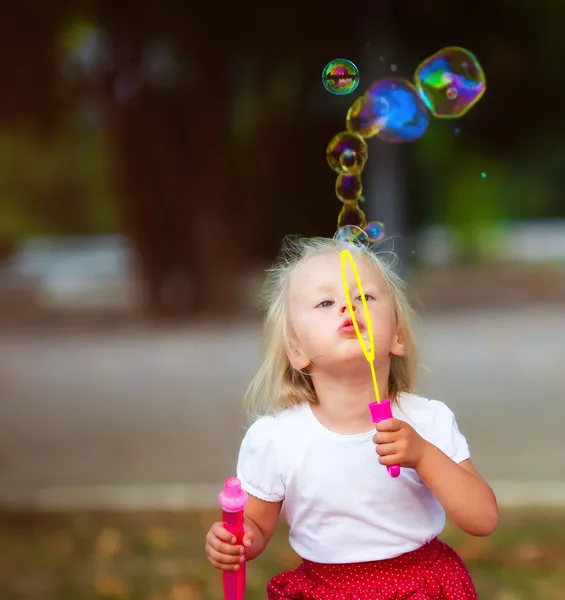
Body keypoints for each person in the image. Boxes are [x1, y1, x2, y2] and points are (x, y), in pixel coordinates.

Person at [205, 235, 498, 599]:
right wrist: (234, 541)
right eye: (326, 302)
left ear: (397, 336)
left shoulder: (425, 421)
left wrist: (423, 455)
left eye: (364, 297)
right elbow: (255, 529)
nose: (347, 306)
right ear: (296, 349)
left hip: (421, 587)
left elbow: (483, 519)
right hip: (326, 591)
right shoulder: (277, 439)